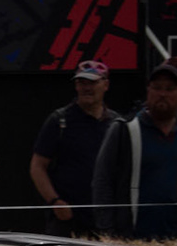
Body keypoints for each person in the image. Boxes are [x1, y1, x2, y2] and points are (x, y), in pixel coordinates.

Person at [92, 58, 177, 241]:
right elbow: (102, 182)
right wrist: (108, 232)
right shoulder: (123, 130)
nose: (162, 94)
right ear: (148, 90)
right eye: (157, 88)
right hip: (132, 238)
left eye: (169, 89)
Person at [27, 59, 115, 236]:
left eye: (92, 83)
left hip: (105, 218)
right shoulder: (60, 120)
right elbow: (37, 166)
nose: (86, 88)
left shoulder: (116, 124)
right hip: (67, 219)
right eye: (82, 82)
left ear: (105, 85)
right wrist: (55, 201)